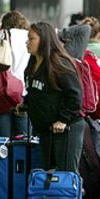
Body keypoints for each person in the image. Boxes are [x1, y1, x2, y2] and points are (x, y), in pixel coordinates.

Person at [18, 22, 84, 172]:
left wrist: (63, 119)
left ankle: (76, 195)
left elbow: (75, 94)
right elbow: (37, 91)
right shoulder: (33, 62)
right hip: (45, 130)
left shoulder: (59, 62)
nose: (27, 42)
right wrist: (25, 104)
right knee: (49, 175)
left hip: (66, 129)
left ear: (44, 40)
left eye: (31, 38)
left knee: (66, 176)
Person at [0, 11, 31, 137]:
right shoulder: (30, 37)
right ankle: (21, 157)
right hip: (23, 93)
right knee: (24, 138)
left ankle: (4, 156)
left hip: (1, 92)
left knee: (3, 139)